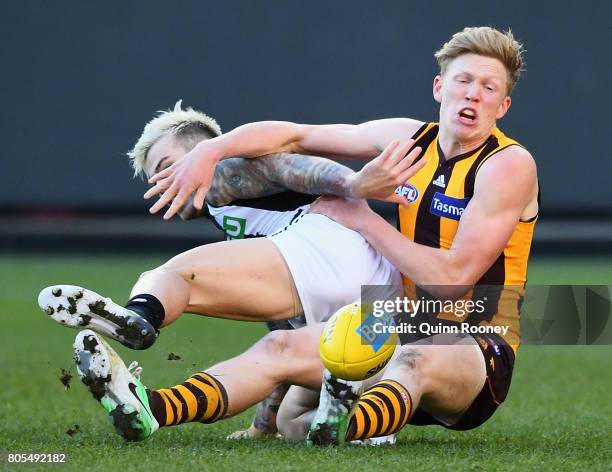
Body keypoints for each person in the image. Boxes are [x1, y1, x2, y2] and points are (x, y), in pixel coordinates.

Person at [141, 26, 539, 445]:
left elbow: (454, 282)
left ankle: (354, 413)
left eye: (489, 87)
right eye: (464, 80)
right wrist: (211, 150)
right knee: (283, 365)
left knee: (412, 361)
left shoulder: (508, 165)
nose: (474, 94)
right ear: (440, 88)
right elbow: (296, 135)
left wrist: (364, 218)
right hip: (399, 322)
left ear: (503, 105)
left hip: (476, 345)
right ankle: (150, 408)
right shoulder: (408, 139)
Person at [38, 101, 422, 440]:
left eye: (168, 167)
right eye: (155, 176)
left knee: (175, 275)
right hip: (377, 318)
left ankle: (138, 318)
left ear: (203, 156)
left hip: (343, 251)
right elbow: (284, 324)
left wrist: (354, 183)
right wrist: (263, 425)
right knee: (291, 405)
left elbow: (289, 166)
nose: (161, 183)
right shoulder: (233, 220)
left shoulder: (224, 175)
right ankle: (152, 407)